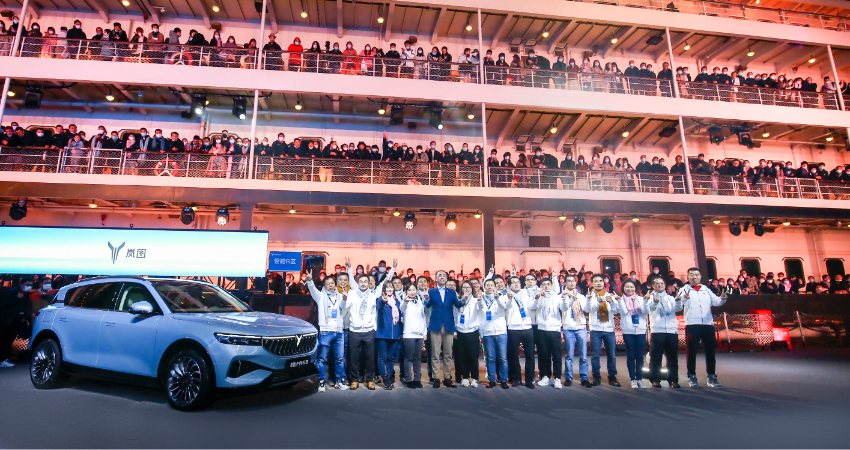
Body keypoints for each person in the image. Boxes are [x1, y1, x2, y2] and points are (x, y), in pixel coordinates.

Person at [678, 267, 727, 388]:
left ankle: (712, 376)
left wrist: (722, 299)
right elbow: (678, 303)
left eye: (696, 275)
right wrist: (685, 298)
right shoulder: (684, 289)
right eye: (691, 275)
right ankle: (692, 376)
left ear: (700, 276)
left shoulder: (706, 289)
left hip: (708, 324)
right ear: (688, 277)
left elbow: (716, 302)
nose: (694, 277)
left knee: (710, 352)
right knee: (692, 352)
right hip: (692, 325)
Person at [304, 270, 349, 392]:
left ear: (335, 284)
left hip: (339, 332)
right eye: (328, 283)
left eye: (332, 283)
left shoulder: (340, 295)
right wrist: (309, 280)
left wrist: (345, 298)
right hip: (326, 332)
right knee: (322, 358)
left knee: (339, 358)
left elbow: (343, 307)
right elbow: (312, 290)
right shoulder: (320, 296)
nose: (330, 285)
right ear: (324, 285)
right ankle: (321, 382)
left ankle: (339, 381)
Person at [585, 274, 622, 387]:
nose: (599, 283)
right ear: (592, 283)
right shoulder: (590, 296)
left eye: (600, 281)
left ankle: (612, 377)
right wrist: (598, 302)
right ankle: (596, 377)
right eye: (596, 281)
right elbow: (588, 309)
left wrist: (612, 302)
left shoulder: (609, 295)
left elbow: (616, 311)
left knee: (612, 355)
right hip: (596, 329)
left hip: (609, 329)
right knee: (596, 355)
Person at [424, 270, 459, 388]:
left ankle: (447, 378)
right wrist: (426, 299)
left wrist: (464, 299)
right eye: (440, 275)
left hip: (448, 325)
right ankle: (436, 378)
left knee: (448, 354)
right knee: (435, 354)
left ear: (447, 278)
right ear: (436, 279)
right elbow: (428, 305)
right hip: (435, 325)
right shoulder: (431, 291)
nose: (442, 277)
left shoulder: (452, 292)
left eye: (444, 275)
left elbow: (458, 305)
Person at [616, 280, 650, 388]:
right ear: (623, 288)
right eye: (627, 287)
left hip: (640, 330)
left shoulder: (641, 299)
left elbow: (645, 311)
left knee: (640, 356)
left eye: (631, 287)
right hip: (628, 330)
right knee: (631, 356)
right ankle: (633, 379)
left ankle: (639, 378)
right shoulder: (620, 300)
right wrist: (621, 301)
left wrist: (645, 301)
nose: (629, 289)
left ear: (635, 288)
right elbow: (624, 312)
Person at [561, 274, 592, 388]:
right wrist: (569, 298)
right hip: (569, 328)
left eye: (573, 281)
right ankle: (568, 378)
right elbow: (564, 308)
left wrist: (588, 300)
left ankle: (584, 378)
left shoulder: (581, 296)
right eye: (568, 281)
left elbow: (587, 310)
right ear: (564, 283)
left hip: (581, 327)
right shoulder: (562, 296)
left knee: (583, 355)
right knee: (569, 355)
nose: (571, 283)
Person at [533, 278, 565, 389]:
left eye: (548, 284)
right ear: (540, 286)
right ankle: (545, 376)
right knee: (543, 355)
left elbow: (564, 307)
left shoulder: (557, 297)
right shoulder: (538, 296)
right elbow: (535, 307)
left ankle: (557, 378)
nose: (546, 286)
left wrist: (565, 299)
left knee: (556, 355)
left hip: (554, 329)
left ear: (552, 286)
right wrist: (538, 298)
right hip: (541, 328)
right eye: (544, 284)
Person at [505, 275, 535, 388]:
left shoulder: (526, 294)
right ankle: (516, 378)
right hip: (513, 328)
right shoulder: (507, 295)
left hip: (527, 327)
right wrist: (509, 298)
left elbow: (533, 306)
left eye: (518, 282)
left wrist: (537, 298)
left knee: (530, 355)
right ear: (510, 285)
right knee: (513, 355)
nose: (516, 284)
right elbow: (506, 307)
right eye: (513, 282)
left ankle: (529, 380)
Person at [480, 278, 509, 388]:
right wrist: (478, 301)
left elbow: (505, 307)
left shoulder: (501, 297)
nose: (489, 287)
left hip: (501, 332)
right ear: (484, 287)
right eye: (487, 285)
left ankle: (503, 380)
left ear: (495, 287)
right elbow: (479, 310)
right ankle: (492, 380)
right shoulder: (481, 298)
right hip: (487, 332)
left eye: (491, 285)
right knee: (490, 358)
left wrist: (498, 299)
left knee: (502, 358)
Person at [0, 277, 33, 367]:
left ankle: (4, 359)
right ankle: (2, 359)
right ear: (21, 284)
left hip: (15, 320)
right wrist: (17, 298)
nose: (29, 287)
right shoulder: (12, 292)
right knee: (5, 340)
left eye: (30, 285)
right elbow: (4, 304)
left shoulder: (25, 295)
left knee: (8, 340)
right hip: (7, 320)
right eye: (27, 285)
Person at [399, 283, 427, 388]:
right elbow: (402, 308)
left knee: (417, 358)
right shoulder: (405, 301)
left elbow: (423, 317)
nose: (412, 292)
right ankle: (409, 379)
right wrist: (405, 301)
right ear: (406, 292)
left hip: (419, 334)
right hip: (409, 334)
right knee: (408, 358)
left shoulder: (419, 301)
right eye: (410, 290)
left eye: (414, 290)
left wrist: (424, 332)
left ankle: (417, 379)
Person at [454, 280, 481, 387]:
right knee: (462, 356)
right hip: (460, 331)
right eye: (464, 287)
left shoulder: (476, 300)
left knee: (473, 356)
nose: (466, 289)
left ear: (472, 289)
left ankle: (474, 378)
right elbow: (455, 316)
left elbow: (481, 309)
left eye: (468, 287)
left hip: (472, 331)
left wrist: (479, 301)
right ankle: (464, 377)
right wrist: (455, 331)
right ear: (461, 289)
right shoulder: (458, 301)